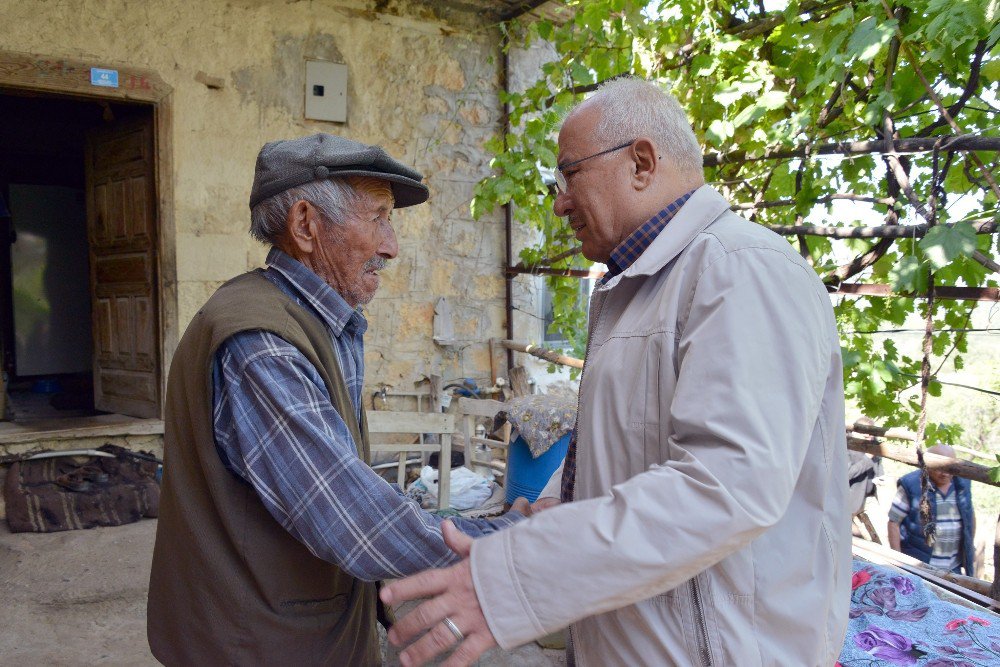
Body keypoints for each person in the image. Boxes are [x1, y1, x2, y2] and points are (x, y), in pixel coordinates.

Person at [382, 77, 851, 666]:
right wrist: (562, 501)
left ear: (641, 162)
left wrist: (519, 578)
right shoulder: (636, 289)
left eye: (569, 175)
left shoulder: (741, 270)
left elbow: (723, 486)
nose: (559, 203)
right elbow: (632, 447)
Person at [147, 134, 525, 665]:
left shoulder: (322, 318)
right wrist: (520, 540)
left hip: (303, 626)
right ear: (306, 225)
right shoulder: (262, 344)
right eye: (378, 218)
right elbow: (355, 521)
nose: (392, 246)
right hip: (259, 644)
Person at [888, 444, 975, 575]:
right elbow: (894, 522)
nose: (945, 473)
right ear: (927, 464)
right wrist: (899, 563)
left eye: (950, 468)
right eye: (939, 468)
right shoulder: (911, 484)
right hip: (919, 564)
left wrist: (968, 546)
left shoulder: (962, 484)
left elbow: (970, 517)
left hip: (953, 567)